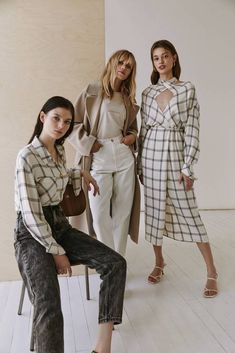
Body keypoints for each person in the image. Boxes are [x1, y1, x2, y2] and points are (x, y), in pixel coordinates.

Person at [14, 96, 127, 353]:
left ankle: (103, 347)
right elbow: (31, 214)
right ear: (42, 117)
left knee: (115, 263)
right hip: (31, 234)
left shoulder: (60, 150)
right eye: (56, 118)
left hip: (59, 225)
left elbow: (57, 176)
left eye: (67, 121)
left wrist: (79, 172)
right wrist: (57, 251)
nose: (61, 125)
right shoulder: (26, 157)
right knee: (48, 303)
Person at [138, 39, 218, 298]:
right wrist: (139, 164)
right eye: (155, 58)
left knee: (190, 213)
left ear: (174, 58)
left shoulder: (187, 90)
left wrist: (188, 167)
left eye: (164, 56)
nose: (160, 61)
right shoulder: (148, 93)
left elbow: (192, 130)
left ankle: (211, 270)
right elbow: (143, 130)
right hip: (150, 158)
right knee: (153, 212)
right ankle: (159, 262)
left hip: (174, 156)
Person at [68, 49, 140, 256]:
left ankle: (119, 264)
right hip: (98, 156)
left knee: (122, 213)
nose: (124, 68)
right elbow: (73, 123)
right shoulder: (92, 90)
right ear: (112, 63)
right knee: (99, 214)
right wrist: (90, 144)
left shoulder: (128, 98)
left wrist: (132, 137)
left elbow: (132, 127)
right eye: (121, 63)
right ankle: (109, 263)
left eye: (129, 66)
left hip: (123, 155)